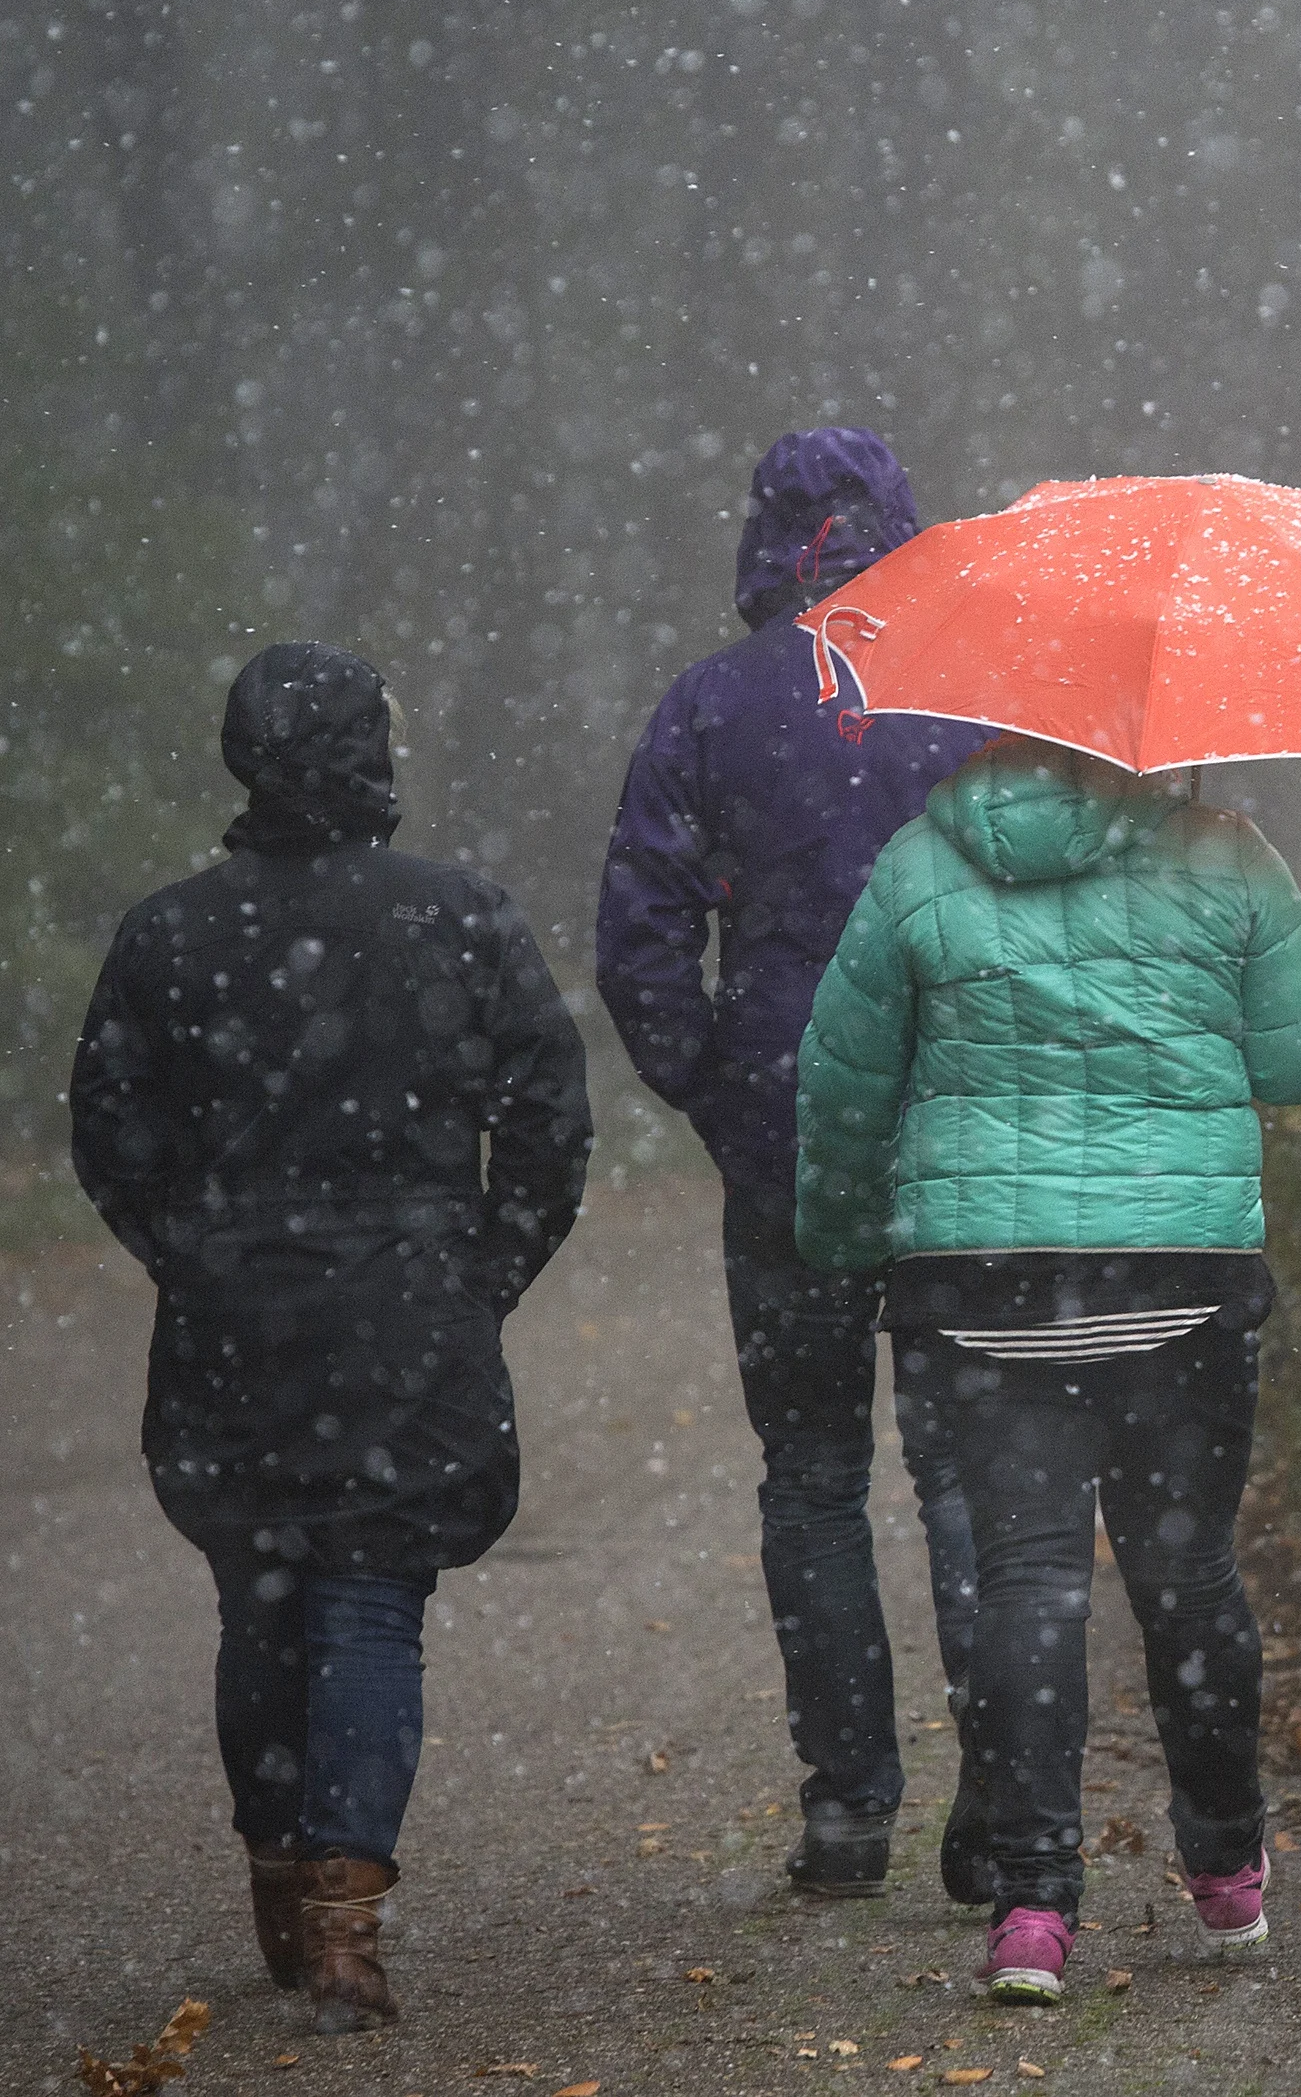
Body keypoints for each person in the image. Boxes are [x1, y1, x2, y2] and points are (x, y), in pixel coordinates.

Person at [71, 643, 592, 2033]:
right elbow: (547, 1117)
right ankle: (346, 1911)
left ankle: (279, 1853)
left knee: (262, 1594)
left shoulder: (169, 935)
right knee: (370, 1599)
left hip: (239, 1322)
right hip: (406, 1311)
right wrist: (479, 1268)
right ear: (375, 755)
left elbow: (112, 1135)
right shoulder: (460, 918)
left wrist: (195, 1256)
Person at [794, 734, 1301, 2003]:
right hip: (1181, 1285)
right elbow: (1299, 1067)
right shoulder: (1229, 856)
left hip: (987, 1289)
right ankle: (1224, 1873)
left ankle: (1033, 1904)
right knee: (1187, 1578)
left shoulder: (921, 866)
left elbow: (844, 1080)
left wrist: (839, 1236)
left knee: (1027, 1582)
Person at [596, 426, 994, 1898]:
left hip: (787, 1133)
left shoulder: (710, 707)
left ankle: (846, 1808)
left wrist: (715, 1084)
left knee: (812, 1474)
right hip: (962, 1123)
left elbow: (640, 934)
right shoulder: (975, 685)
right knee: (965, 1470)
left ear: (766, 537)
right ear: (900, 524)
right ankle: (1005, 1806)